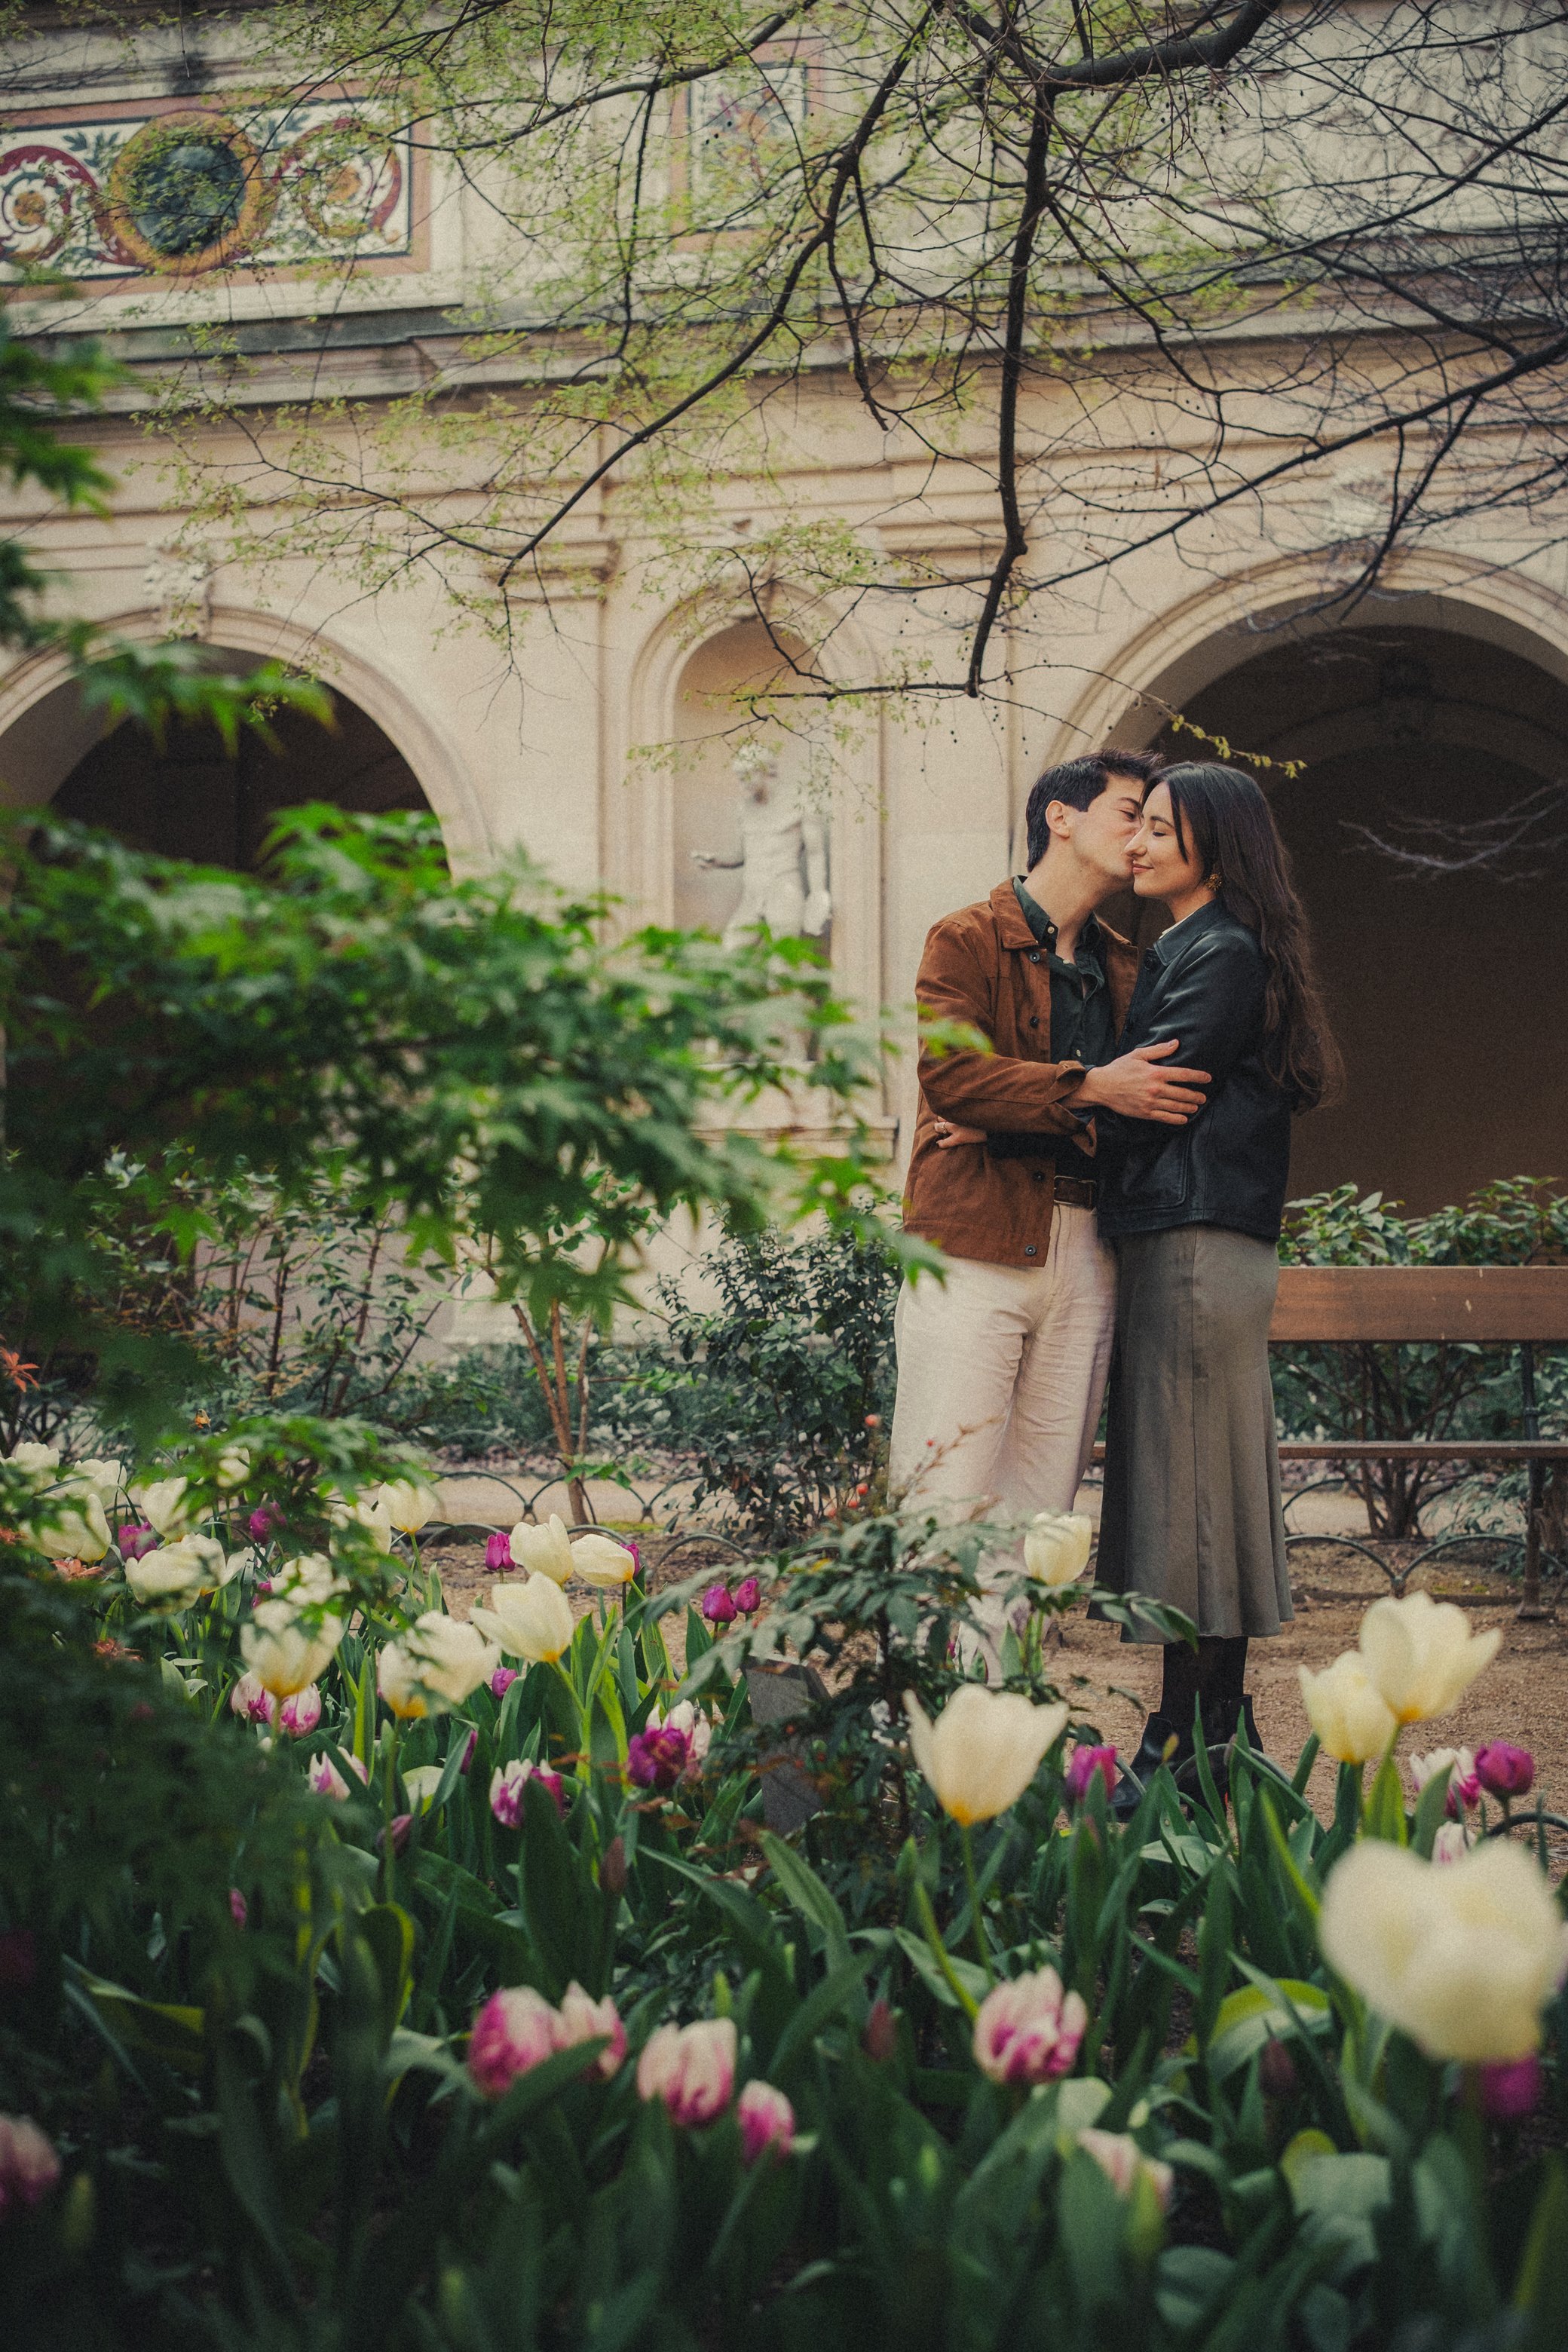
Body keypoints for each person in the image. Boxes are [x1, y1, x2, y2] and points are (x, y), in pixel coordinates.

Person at [889, 750, 1212, 1664]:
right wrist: (1084, 1088)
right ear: (1060, 819)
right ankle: (922, 1703)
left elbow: (1125, 1107)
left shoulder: (1127, 965)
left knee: (1042, 1505)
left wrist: (1032, 1102)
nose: (1145, 834)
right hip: (974, 1244)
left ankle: (1000, 1711)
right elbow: (952, 1078)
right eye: (1128, 812)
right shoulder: (966, 936)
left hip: (1086, 1251)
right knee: (944, 1485)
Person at [1089, 762, 1341, 1808]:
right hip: (1196, 1237)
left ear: (1214, 844)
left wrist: (1065, 1111)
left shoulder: (1215, 952)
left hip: (1191, 1239)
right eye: (1136, 824)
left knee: (1194, 1497)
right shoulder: (1210, 946)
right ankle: (1210, 1735)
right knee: (1204, 1494)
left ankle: (1183, 1745)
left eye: (1157, 828)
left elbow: (1148, 1095)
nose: (1137, 844)